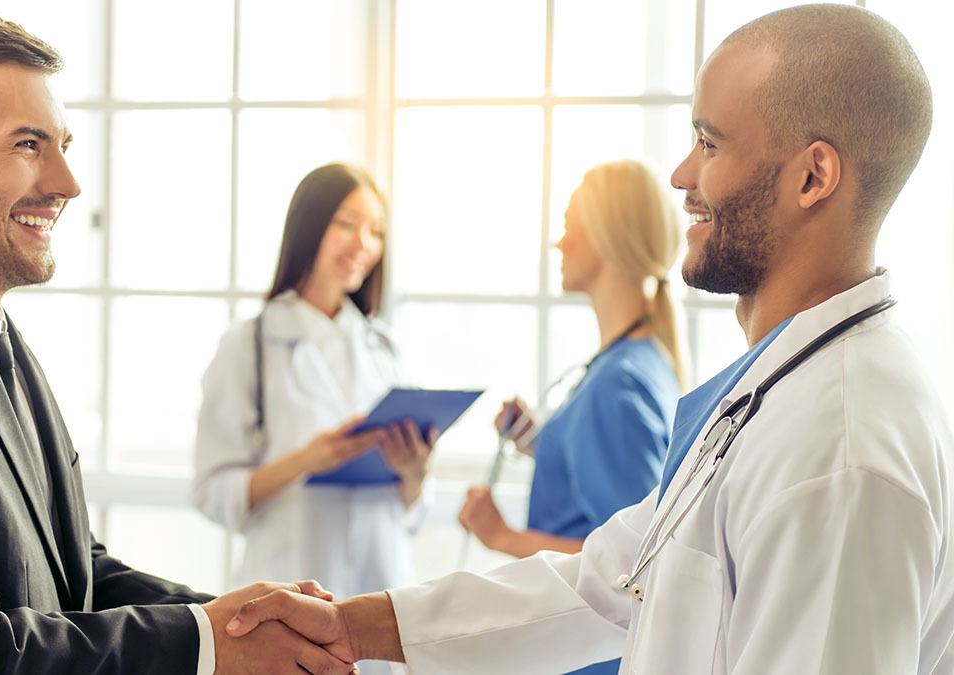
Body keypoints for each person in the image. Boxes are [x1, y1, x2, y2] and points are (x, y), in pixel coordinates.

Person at [222, 5, 954, 674]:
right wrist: (356, 626)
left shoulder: (844, 448)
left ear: (813, 176)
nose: (681, 173)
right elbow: (609, 580)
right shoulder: (773, 389)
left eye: (709, 142)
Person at [0, 8, 354, 674]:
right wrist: (211, 645)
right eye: (27, 145)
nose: (67, 184)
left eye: (62, 146)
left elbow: (71, 570)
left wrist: (243, 620)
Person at [194, 163, 433, 675]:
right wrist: (308, 459)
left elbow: (409, 513)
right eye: (347, 224)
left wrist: (413, 474)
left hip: (381, 593)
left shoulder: (383, 349)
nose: (364, 244)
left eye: (376, 232)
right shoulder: (250, 345)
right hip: (289, 594)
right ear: (310, 226)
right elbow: (214, 492)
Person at [457, 160, 685, 675]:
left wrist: (503, 537)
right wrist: (544, 442)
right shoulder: (633, 362)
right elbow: (614, 491)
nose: (558, 244)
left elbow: (637, 561)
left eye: (567, 227)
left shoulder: (616, 385)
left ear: (606, 237)